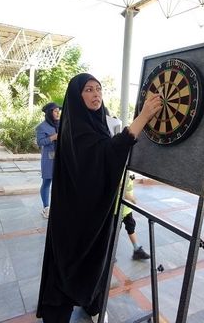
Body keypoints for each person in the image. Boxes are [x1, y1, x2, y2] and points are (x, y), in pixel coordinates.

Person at [36, 73, 162, 323]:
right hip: (73, 218)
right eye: (88, 90)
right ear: (76, 96)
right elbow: (105, 154)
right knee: (70, 265)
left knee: (94, 261)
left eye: (99, 89)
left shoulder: (95, 123)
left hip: (91, 211)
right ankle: (60, 312)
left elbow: (105, 155)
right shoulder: (77, 129)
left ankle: (92, 302)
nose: (96, 95)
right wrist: (143, 117)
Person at [104, 108, 149, 260]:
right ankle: (108, 253)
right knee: (112, 230)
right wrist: (129, 196)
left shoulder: (124, 154)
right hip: (116, 206)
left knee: (130, 226)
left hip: (125, 207)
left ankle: (137, 249)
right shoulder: (111, 151)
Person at [36, 102, 61, 218]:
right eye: (55, 111)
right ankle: (46, 208)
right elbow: (40, 142)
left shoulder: (62, 124)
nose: (58, 113)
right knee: (47, 182)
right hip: (49, 158)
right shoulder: (42, 127)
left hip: (61, 158)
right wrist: (53, 137)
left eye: (58, 111)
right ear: (49, 113)